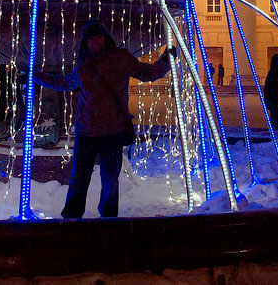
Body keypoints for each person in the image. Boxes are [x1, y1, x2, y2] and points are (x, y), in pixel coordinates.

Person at [33, 19, 174, 219]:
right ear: (85, 42)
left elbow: (146, 73)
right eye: (90, 39)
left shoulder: (121, 58)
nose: (94, 42)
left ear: (105, 38)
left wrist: (164, 62)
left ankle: (108, 219)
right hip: (86, 131)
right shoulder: (83, 64)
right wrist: (35, 75)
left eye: (98, 37)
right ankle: (72, 217)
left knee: (110, 179)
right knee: (79, 178)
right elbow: (64, 83)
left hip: (112, 131)